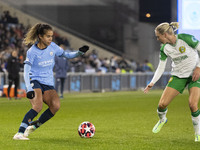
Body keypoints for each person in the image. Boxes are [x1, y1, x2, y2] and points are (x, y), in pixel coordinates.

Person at [13, 23, 89, 140]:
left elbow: (66, 55)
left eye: (51, 36)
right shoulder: (32, 51)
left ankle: (33, 127)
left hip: (48, 82)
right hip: (35, 80)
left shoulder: (53, 46)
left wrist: (79, 53)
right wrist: (29, 88)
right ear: (40, 36)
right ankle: (19, 133)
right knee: (37, 106)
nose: (50, 39)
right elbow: (27, 70)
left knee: (56, 106)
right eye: (48, 36)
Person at [144, 22, 200, 142]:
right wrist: (152, 82)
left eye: (158, 36)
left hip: (195, 75)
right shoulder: (165, 48)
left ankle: (198, 134)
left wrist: (199, 67)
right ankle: (162, 119)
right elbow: (161, 67)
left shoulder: (186, 38)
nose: (157, 39)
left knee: (192, 104)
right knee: (162, 105)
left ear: (164, 35)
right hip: (178, 76)